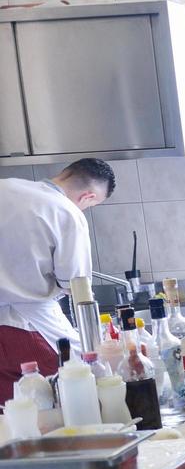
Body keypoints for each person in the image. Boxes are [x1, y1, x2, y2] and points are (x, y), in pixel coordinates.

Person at [0, 158, 115, 402]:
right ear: (88, 197)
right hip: (29, 329)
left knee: (11, 422)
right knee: (69, 406)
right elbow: (75, 285)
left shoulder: (5, 186)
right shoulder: (66, 211)